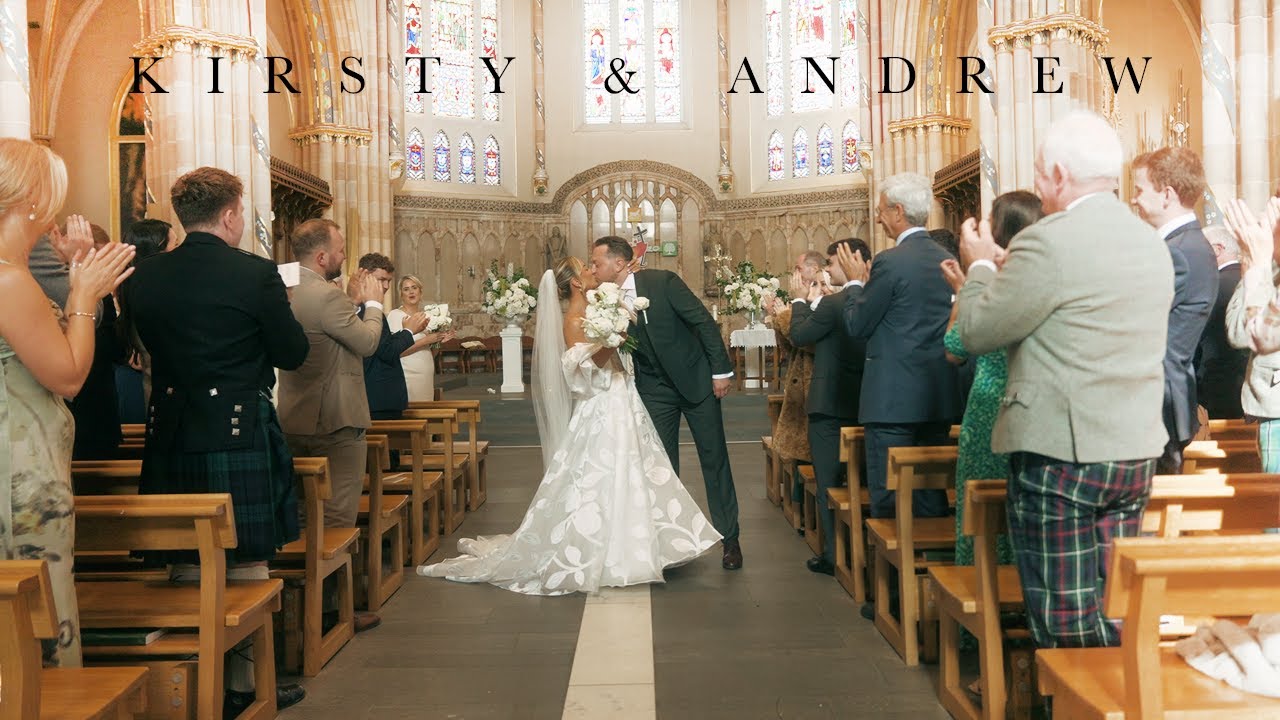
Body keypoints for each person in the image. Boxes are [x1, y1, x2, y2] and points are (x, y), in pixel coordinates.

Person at [953, 111, 1174, 649]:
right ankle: (1122, 691)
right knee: (1116, 610)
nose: (1037, 186)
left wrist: (978, 269)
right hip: (1134, 449)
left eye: (1038, 172)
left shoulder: (1047, 241)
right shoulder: (1149, 240)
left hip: (1063, 454)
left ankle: (1071, 693)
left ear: (1058, 173)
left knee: (1065, 621)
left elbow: (976, 332)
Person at [418, 257, 721, 594]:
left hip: (621, 397)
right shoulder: (574, 321)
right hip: (603, 403)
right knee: (605, 473)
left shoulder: (596, 308)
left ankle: (641, 541)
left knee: (636, 469)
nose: (592, 271)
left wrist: (618, 325)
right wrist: (614, 337)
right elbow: (586, 366)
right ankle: (612, 549)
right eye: (586, 269)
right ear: (576, 283)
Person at [124, 166, 309, 711]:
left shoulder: (145, 277)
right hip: (237, 426)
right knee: (246, 557)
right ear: (229, 215)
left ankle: (190, 683)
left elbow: (136, 345)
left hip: (172, 427)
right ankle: (243, 687)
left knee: (186, 550)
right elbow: (292, 353)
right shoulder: (255, 274)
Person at [0, 137, 137, 667]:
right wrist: (83, 297)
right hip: (23, 471)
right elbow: (68, 376)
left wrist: (73, 276)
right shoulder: (9, 279)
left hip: (25, 454)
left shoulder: (15, 274)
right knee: (41, 613)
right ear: (31, 197)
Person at [589, 236, 744, 570]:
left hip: (696, 381)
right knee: (660, 467)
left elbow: (702, 322)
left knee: (714, 460)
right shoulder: (602, 301)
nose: (592, 269)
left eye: (596, 263)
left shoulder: (662, 282)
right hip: (654, 388)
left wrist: (720, 371)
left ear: (619, 263)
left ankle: (730, 539)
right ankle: (668, 544)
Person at [834, 172, 960, 522]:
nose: (878, 218)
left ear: (898, 211)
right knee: (931, 493)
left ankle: (894, 558)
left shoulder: (891, 261)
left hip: (892, 401)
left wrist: (855, 284)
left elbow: (858, 325)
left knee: (891, 500)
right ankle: (929, 554)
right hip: (937, 396)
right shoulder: (946, 258)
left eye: (881, 211)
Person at [939, 192, 1043, 579]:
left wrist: (963, 289)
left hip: (989, 410)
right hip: (1034, 413)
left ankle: (980, 597)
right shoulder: (1043, 276)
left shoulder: (995, 283)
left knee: (982, 515)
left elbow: (955, 347)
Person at [277, 220, 384, 529]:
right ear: (322, 257)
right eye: (340, 250)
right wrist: (373, 304)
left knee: (301, 512)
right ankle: (330, 563)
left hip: (294, 417)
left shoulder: (280, 287)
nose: (344, 256)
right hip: (335, 420)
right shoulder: (327, 295)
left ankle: (304, 560)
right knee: (337, 514)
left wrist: (350, 302)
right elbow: (367, 343)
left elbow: (321, 328)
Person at [1131, 147, 1218, 474]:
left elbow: (1135, 323)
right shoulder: (1186, 245)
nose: (1134, 199)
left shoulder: (1179, 251)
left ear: (1167, 194)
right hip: (1163, 397)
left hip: (1156, 402)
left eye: (1140, 190)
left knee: (1152, 505)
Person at [790, 238, 869, 576]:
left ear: (853, 262)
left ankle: (835, 556)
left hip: (829, 404)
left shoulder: (834, 304)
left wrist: (799, 300)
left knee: (829, 483)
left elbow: (799, 335)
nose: (828, 269)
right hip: (866, 400)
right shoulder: (875, 299)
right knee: (866, 482)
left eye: (832, 263)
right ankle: (868, 551)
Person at [115, 218, 175, 421]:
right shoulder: (156, 290)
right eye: (175, 245)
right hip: (149, 389)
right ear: (157, 250)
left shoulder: (130, 283)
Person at [358, 254, 425, 421]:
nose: (386, 286)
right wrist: (408, 331)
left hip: (379, 396)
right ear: (364, 276)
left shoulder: (367, 309)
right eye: (381, 280)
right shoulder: (366, 310)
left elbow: (382, 345)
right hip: (379, 395)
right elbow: (387, 352)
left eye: (389, 281)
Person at [1195, 225, 1246, 419]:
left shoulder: (1209, 286)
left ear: (1217, 249)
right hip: (1248, 383)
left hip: (1217, 385)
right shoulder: (1254, 280)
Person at [386, 274, 454, 402]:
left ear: (420, 292)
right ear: (401, 294)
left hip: (426, 374)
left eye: (414, 287)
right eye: (406, 289)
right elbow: (395, 351)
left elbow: (430, 353)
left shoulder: (426, 317)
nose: (411, 292)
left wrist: (438, 341)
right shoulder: (396, 315)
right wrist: (426, 340)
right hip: (407, 375)